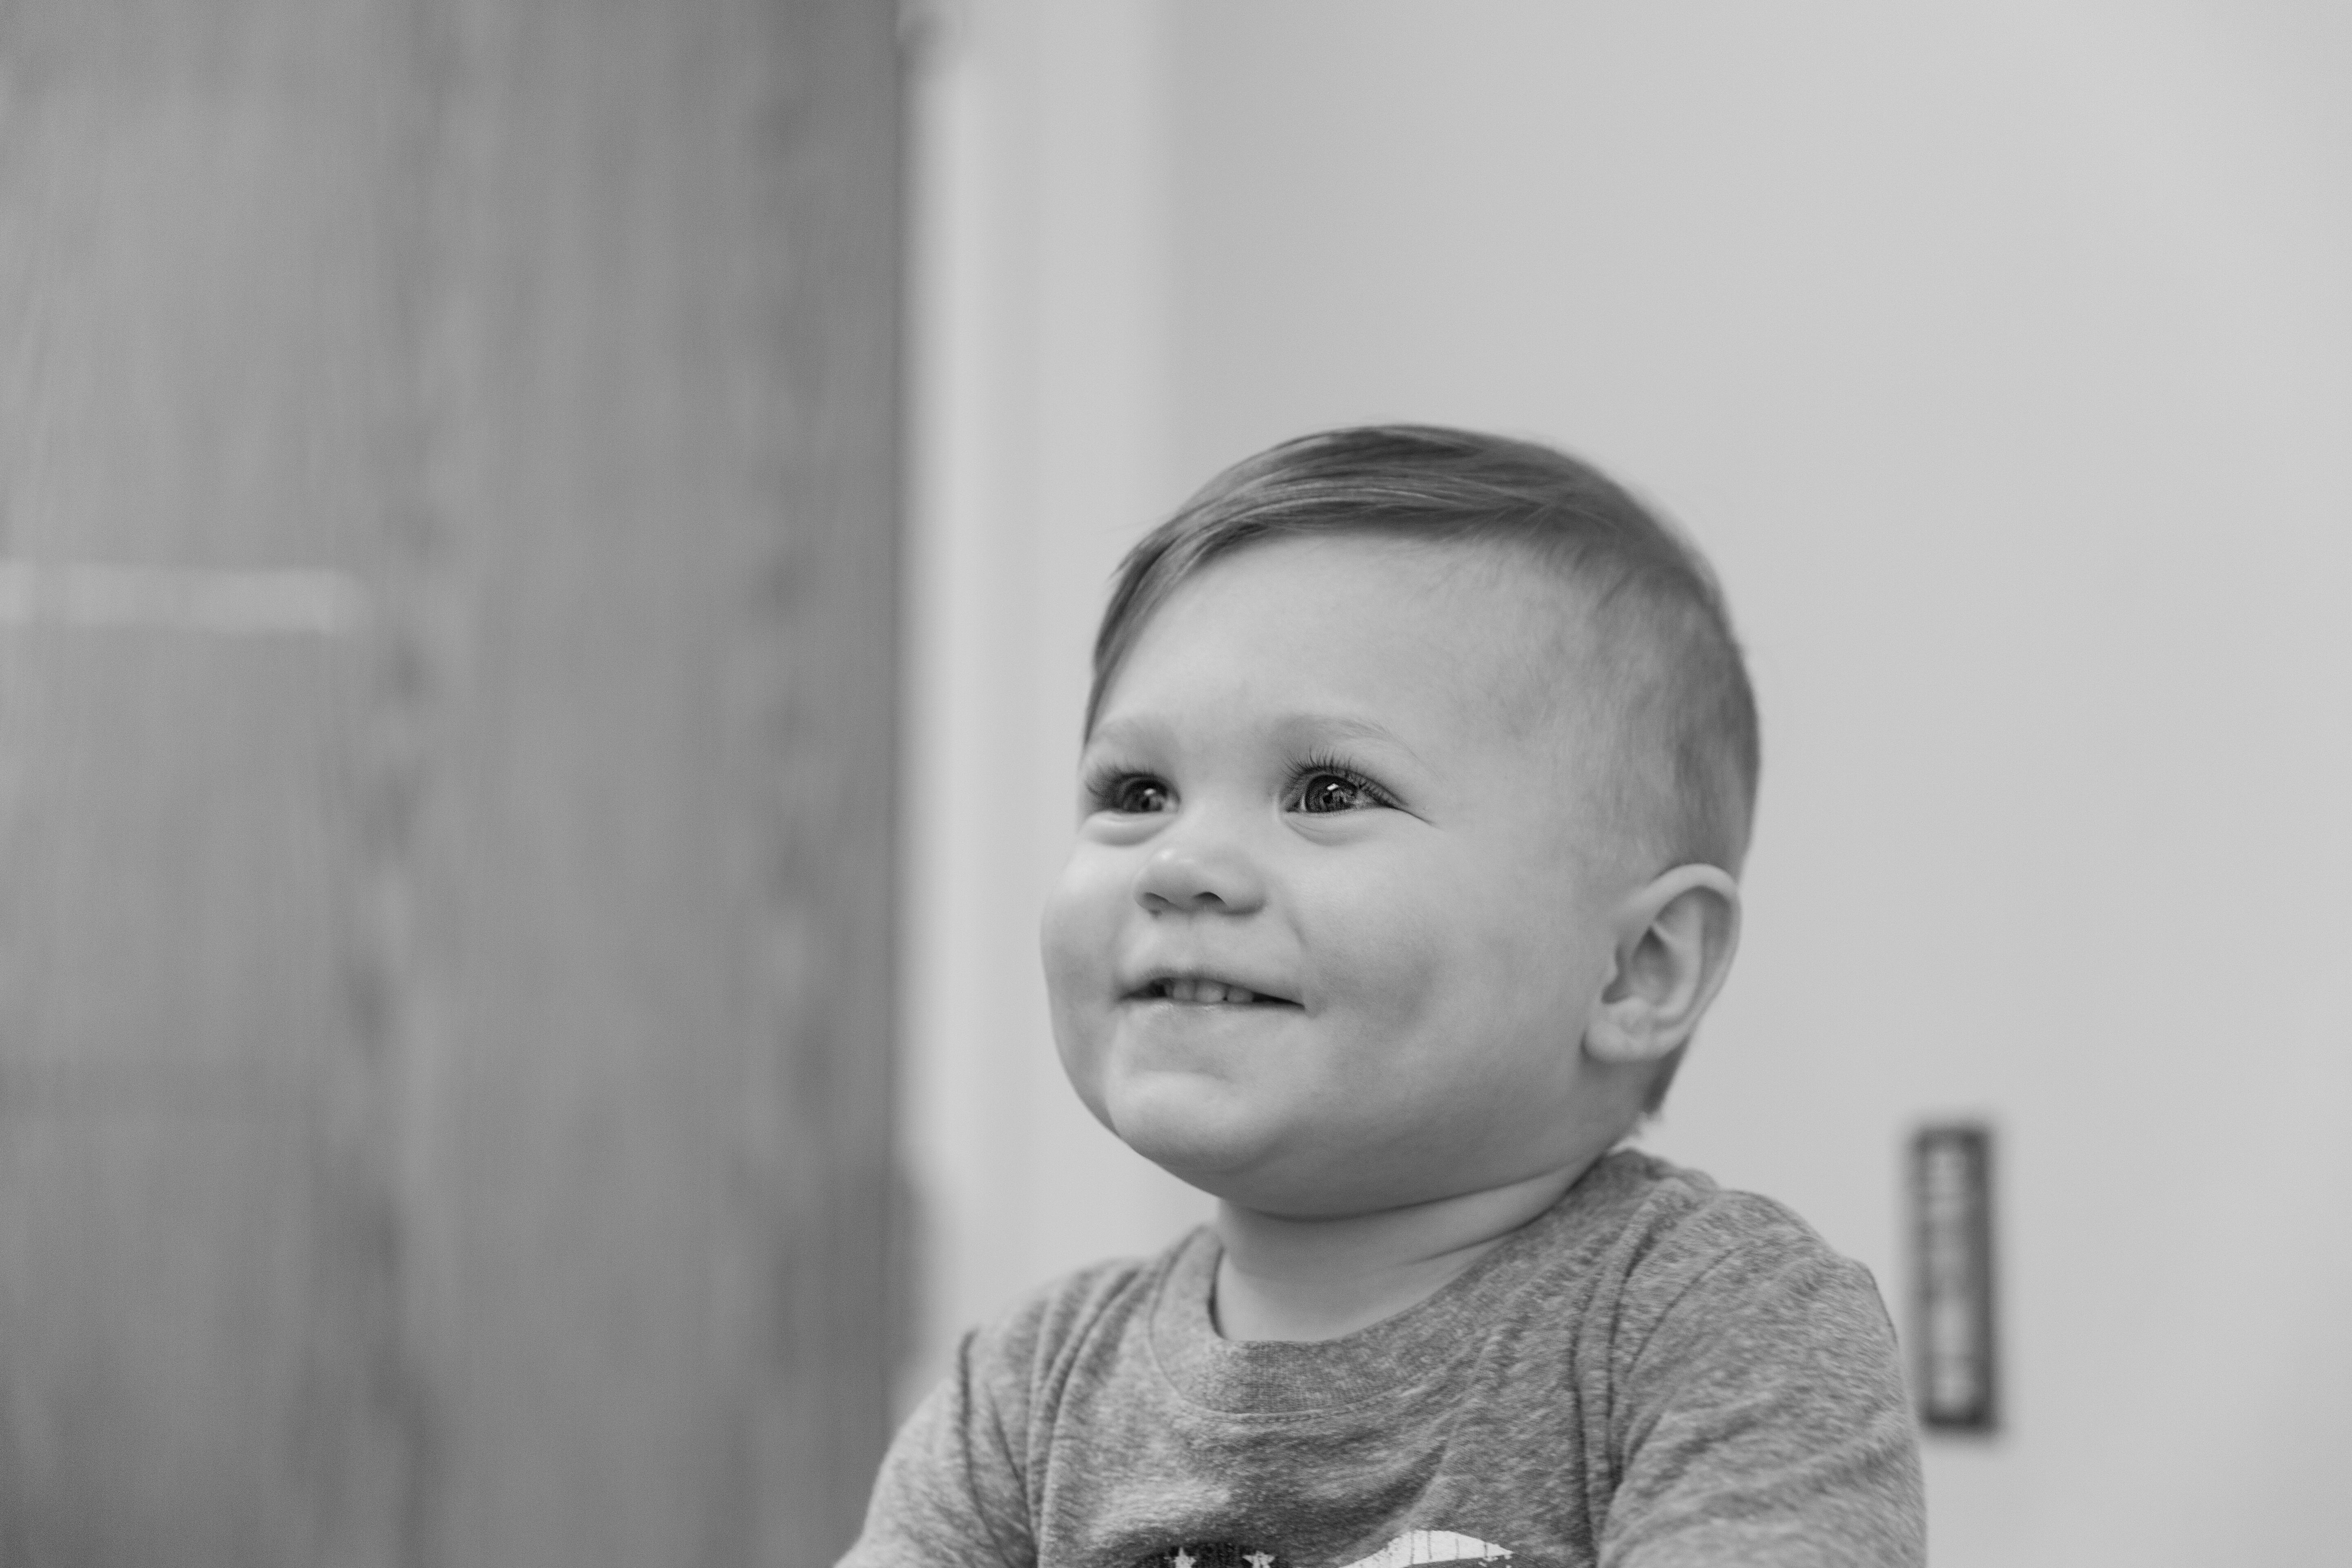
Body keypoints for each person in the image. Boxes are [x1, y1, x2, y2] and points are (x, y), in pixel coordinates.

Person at [842, 426, 1925, 1568]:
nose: (1178, 862)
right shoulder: (1020, 1400)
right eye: (1138, 791)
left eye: (1328, 791)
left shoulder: (1716, 1322)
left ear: (1639, 966)